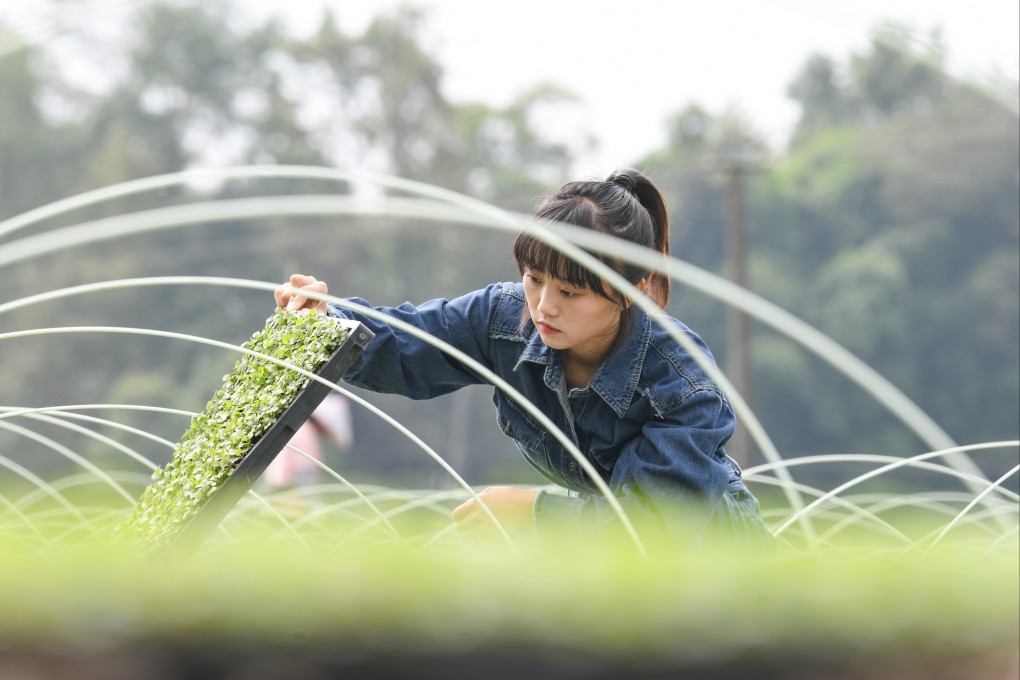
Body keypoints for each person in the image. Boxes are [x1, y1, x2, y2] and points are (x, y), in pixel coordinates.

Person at [274, 168, 774, 551]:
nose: (544, 307)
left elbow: (659, 527)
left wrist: (534, 513)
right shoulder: (504, 317)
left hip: (718, 558)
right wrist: (327, 316)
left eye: (571, 292)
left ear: (631, 292)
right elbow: (411, 343)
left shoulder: (682, 383)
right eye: (534, 278)